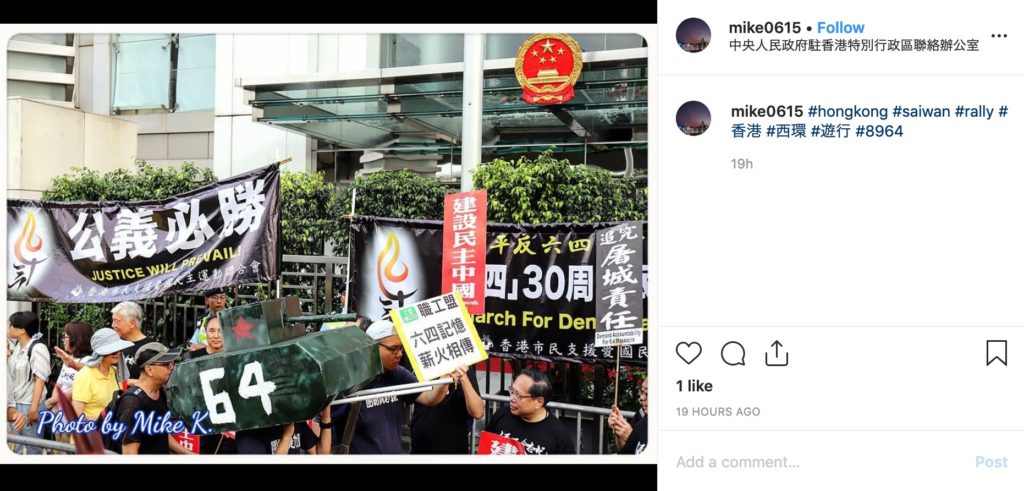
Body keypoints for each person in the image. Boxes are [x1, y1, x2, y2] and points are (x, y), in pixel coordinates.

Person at [327, 318, 449, 454]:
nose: (399, 354)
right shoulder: (349, 379)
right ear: (372, 346)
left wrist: (445, 379)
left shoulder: (399, 375)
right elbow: (322, 421)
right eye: (393, 349)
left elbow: (429, 398)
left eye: (401, 348)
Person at [114, 342, 190, 454]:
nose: (171, 368)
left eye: (172, 363)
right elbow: (130, 454)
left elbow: (161, 434)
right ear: (149, 370)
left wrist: (189, 454)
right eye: (166, 364)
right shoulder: (132, 404)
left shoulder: (159, 392)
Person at [484, 367, 575, 455]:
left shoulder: (559, 436)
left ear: (539, 402)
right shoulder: (502, 415)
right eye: (512, 391)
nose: (511, 399)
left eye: (518, 395)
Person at [411, 363, 484, 454]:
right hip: (420, 447)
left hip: (452, 449)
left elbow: (478, 412)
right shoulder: (421, 365)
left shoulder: (463, 369)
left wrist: (463, 378)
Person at [7, 311, 51, 454]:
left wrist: (33, 409)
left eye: (11, 325)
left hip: (30, 404)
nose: (8, 328)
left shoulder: (37, 348)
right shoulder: (17, 346)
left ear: (22, 330)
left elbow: (40, 379)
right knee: (19, 447)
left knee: (33, 448)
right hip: (16, 404)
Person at [71, 328, 134, 421]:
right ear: (100, 353)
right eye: (113, 351)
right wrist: (102, 423)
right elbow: (76, 415)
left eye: (119, 350)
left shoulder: (116, 372)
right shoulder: (85, 376)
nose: (118, 354)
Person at [45, 322, 93, 418]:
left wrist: (52, 401)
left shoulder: (89, 362)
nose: (63, 340)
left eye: (65, 337)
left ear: (76, 339)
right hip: (59, 412)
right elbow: (59, 384)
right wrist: (54, 406)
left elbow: (76, 390)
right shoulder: (69, 358)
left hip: (74, 413)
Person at [110, 302, 152, 383]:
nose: (113, 325)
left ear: (132, 323)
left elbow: (158, 381)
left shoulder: (151, 347)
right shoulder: (114, 345)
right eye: (113, 321)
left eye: (117, 321)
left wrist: (128, 382)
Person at [609, 376, 648, 454]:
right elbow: (624, 450)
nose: (641, 397)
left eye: (646, 393)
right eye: (641, 392)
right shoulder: (641, 416)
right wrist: (619, 428)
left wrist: (633, 437)